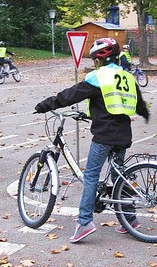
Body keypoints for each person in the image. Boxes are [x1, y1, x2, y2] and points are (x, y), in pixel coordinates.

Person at [34, 37, 150, 243]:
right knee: (118, 176)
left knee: (91, 177)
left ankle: (85, 222)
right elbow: (138, 105)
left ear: (99, 59)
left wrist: (45, 104)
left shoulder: (99, 77)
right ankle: (130, 220)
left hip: (104, 134)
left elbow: (71, 95)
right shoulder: (127, 77)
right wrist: (146, 115)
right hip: (123, 134)